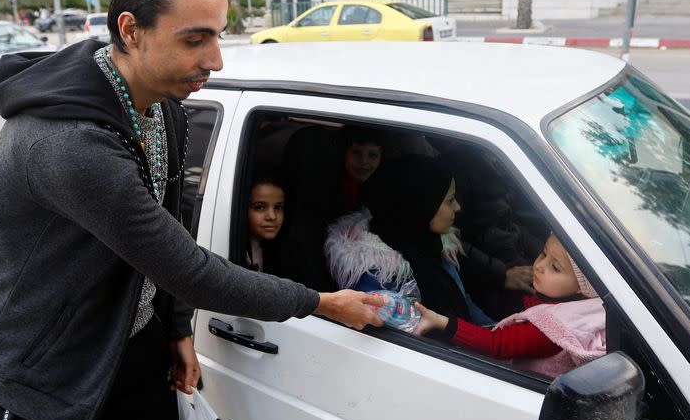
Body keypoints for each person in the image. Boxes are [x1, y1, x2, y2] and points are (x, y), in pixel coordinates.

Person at [0, 0, 383, 420]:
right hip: (49, 379)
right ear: (130, 30)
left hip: (132, 340)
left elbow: (173, 228)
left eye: (217, 36)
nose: (214, 59)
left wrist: (176, 328)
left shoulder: (165, 106)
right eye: (194, 40)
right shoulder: (68, 145)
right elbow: (189, 268)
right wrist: (321, 303)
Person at [326, 155, 531, 327]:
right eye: (450, 200)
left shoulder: (435, 247)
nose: (458, 207)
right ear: (419, 206)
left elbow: (465, 304)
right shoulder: (379, 281)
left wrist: (494, 336)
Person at [413, 233, 606, 378]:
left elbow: (496, 344)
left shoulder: (553, 328)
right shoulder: (574, 307)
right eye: (543, 253)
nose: (539, 265)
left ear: (582, 288)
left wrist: (440, 321)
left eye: (555, 267)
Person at [245, 170, 285, 272]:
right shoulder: (232, 249)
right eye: (260, 207)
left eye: (278, 207)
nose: (272, 216)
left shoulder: (285, 253)